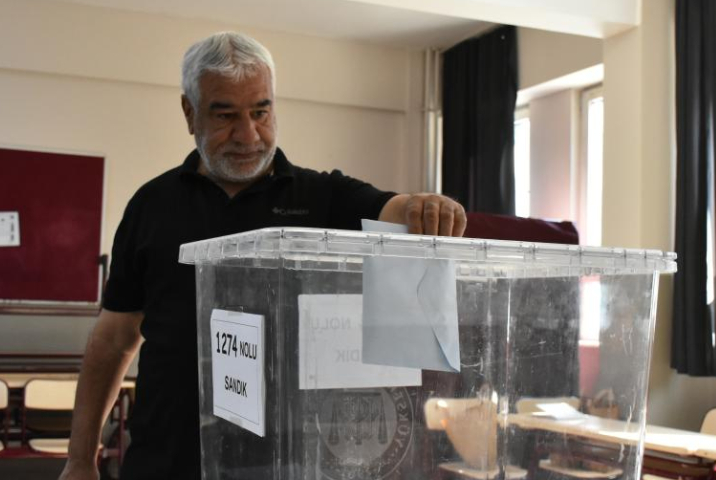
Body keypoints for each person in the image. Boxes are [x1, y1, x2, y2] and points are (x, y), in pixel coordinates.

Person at [59, 31, 466, 480]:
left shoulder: (320, 197)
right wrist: (80, 458)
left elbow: (393, 209)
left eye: (261, 111)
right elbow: (113, 340)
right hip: (168, 458)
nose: (248, 134)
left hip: (286, 463)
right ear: (189, 112)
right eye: (226, 115)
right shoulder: (151, 206)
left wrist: (422, 206)